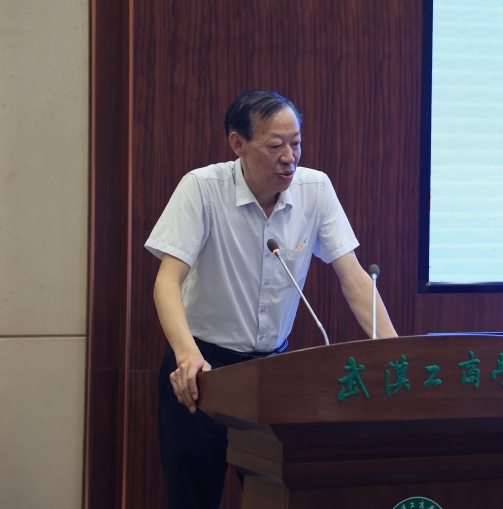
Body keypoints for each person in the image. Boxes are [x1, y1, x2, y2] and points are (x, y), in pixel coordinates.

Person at [144, 89, 398, 509]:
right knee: (192, 499)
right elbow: (166, 282)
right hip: (202, 371)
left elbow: (353, 277)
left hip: (271, 376)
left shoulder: (316, 190)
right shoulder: (202, 188)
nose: (289, 157)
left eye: (296, 143)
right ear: (238, 144)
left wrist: (392, 351)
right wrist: (187, 355)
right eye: (275, 145)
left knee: (278, 497)